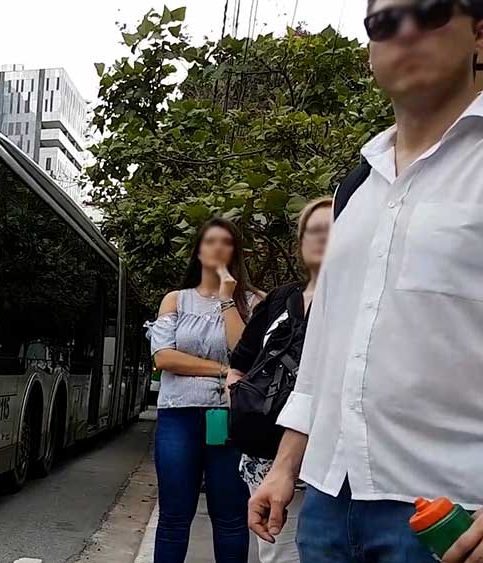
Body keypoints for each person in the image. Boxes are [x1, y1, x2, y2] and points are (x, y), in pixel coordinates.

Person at [248, 1, 483, 562]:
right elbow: (326, 350)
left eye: (429, 12)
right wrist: (285, 468)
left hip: (451, 515)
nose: (405, 32)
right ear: (371, 53)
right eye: (384, 22)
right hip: (328, 505)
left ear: (479, 33)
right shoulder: (355, 190)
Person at [224, 197, 332, 563]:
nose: (322, 237)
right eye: (313, 230)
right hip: (265, 459)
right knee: (277, 554)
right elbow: (239, 363)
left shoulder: (359, 301)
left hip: (326, 465)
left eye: (332, 229)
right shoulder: (282, 298)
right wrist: (241, 403)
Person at [149, 217, 260, 563]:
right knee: (174, 515)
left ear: (236, 252)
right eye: (210, 241)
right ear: (198, 251)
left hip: (227, 419)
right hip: (177, 416)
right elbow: (163, 356)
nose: (218, 248)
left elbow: (248, 352)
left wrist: (229, 299)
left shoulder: (252, 302)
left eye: (226, 242)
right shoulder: (176, 300)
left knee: (229, 516)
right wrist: (224, 369)